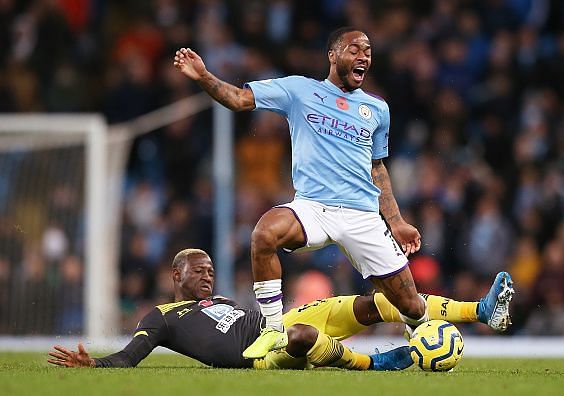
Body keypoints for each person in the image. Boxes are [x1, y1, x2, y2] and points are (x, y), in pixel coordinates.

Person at [173, 26, 514, 359]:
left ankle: (427, 335)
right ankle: (274, 330)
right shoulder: (299, 91)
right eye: (355, 50)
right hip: (313, 207)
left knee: (409, 304)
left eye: (368, 52)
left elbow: (377, 168)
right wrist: (203, 76)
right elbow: (238, 99)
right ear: (332, 56)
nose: (363, 56)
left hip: (362, 215)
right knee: (264, 232)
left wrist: (396, 222)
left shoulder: (377, 110)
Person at [48, 249, 514, 370]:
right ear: (176, 276)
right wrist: (97, 364)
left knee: (377, 302)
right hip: (260, 353)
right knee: (302, 342)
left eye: (210, 268)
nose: (207, 275)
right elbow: (132, 357)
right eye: (198, 269)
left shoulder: (223, 301)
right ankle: (375, 364)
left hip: (282, 320)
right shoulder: (162, 317)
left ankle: (482, 310)